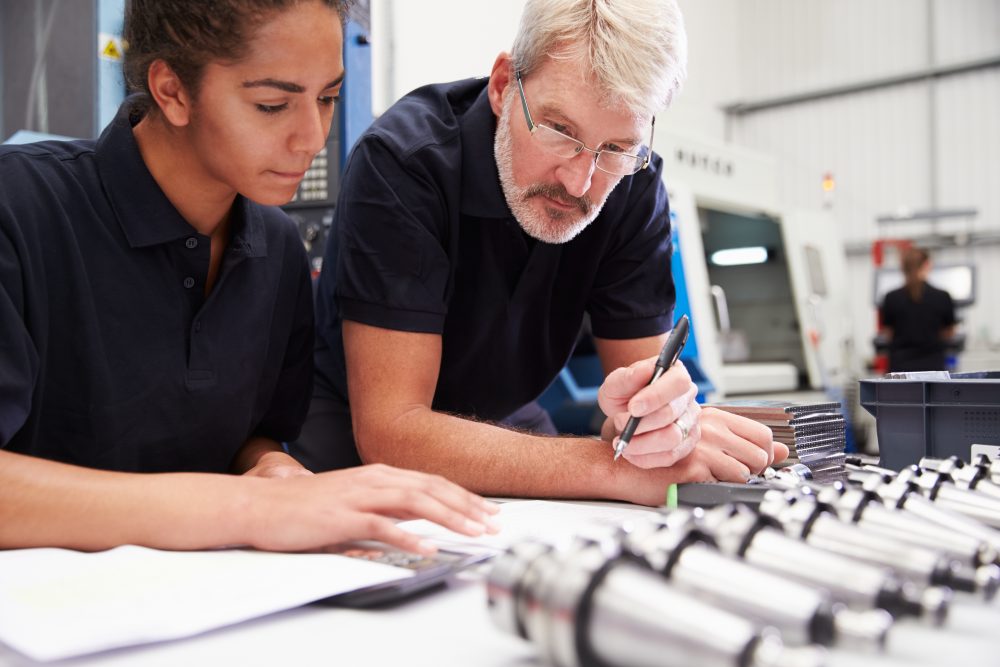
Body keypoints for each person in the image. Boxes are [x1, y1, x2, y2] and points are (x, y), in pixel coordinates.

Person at [0, 0, 497, 553]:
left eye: (328, 98)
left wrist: (274, 469)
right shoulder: (19, 210)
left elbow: (251, 436)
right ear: (171, 91)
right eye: (271, 105)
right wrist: (247, 509)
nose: (311, 137)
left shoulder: (276, 246)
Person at [294, 0, 788, 505]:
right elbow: (393, 430)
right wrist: (610, 469)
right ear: (504, 85)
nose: (581, 182)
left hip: (506, 416)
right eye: (560, 131)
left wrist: (666, 425)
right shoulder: (404, 165)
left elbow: (641, 412)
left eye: (617, 148)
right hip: (356, 425)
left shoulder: (633, 185)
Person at [880, 247, 958, 373]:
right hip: (933, 369)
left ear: (903, 268)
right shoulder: (942, 296)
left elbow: (888, 334)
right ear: (927, 265)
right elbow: (949, 333)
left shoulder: (891, 298)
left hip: (900, 369)